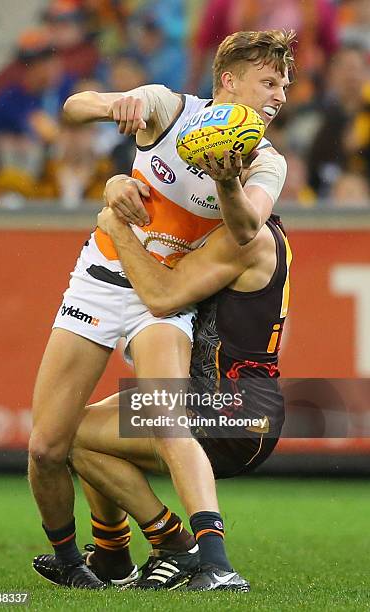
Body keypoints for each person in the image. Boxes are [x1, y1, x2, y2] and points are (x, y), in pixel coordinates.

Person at [30, 29, 294, 589]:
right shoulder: (169, 110)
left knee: (164, 416)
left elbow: (248, 227)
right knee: (48, 443)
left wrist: (224, 180)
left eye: (286, 84)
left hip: (164, 297)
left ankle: (203, 553)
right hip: (99, 282)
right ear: (229, 80)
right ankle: (90, 560)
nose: (281, 95)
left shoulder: (267, 161)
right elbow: (77, 107)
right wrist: (114, 103)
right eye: (269, 81)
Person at [64, 172, 290, 590]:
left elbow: (161, 296)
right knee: (71, 429)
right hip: (224, 399)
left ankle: (181, 547)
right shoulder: (241, 232)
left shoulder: (246, 240)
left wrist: (117, 227)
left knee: (74, 437)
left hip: (232, 411)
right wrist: (116, 182)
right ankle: (115, 555)